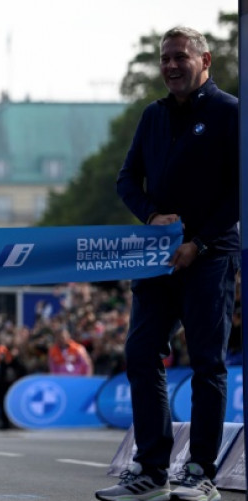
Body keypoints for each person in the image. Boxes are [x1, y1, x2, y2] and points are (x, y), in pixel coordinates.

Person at [96, 26, 239, 501]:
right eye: (165, 59)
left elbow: (239, 192)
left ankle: (200, 472)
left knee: (206, 363)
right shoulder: (153, 115)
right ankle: (152, 470)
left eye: (180, 57)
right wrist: (151, 215)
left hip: (210, 255)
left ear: (205, 61)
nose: (172, 66)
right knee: (140, 354)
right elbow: (126, 178)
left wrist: (198, 241)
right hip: (156, 258)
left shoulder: (230, 112)